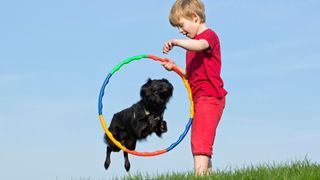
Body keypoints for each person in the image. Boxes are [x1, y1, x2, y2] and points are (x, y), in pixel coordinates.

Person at [161, 0, 227, 176]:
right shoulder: (191, 47)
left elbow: (200, 45)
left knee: (200, 141)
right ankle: (206, 176)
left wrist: (176, 42)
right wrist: (175, 67)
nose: (181, 31)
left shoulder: (208, 37)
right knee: (200, 141)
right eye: (177, 29)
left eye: (181, 25)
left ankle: (198, 176)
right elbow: (192, 74)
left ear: (195, 18)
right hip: (200, 98)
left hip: (210, 97)